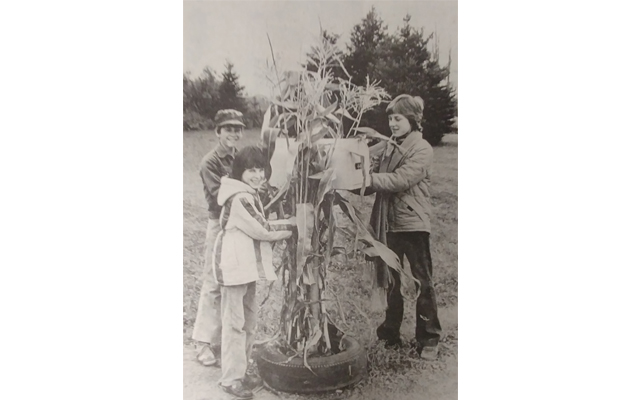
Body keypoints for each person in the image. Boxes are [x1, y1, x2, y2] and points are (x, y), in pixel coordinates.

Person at [214, 145, 294, 399]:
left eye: (260, 169)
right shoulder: (240, 198)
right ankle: (231, 379)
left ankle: (241, 371)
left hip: (246, 267)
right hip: (233, 267)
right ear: (240, 171)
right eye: (251, 170)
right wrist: (296, 225)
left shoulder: (248, 193)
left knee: (249, 323)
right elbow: (263, 229)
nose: (258, 175)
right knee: (235, 324)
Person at [367, 94, 442, 360]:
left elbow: (399, 180)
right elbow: (372, 176)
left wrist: (367, 179)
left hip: (413, 225)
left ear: (412, 119)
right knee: (391, 281)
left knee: (422, 282)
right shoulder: (389, 146)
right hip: (389, 224)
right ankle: (390, 332)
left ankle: (429, 338)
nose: (393, 124)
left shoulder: (422, 148)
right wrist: (352, 177)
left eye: (398, 118)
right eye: (390, 119)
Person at [192, 109, 246, 367]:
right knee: (213, 281)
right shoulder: (210, 162)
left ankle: (222, 339)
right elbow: (220, 196)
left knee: (232, 281)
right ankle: (202, 342)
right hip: (219, 224)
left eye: (237, 129)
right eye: (228, 129)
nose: (233, 133)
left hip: (238, 224)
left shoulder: (239, 158)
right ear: (217, 131)